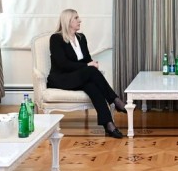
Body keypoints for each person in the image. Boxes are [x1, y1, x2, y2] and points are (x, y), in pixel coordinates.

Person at [47, 9, 126, 138]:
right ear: (68, 21)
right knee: (90, 70)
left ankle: (109, 125)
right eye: (76, 18)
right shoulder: (56, 38)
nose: (80, 20)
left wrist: (91, 63)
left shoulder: (81, 38)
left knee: (92, 87)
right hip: (62, 78)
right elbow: (62, 64)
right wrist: (87, 66)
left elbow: (87, 59)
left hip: (79, 77)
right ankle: (115, 100)